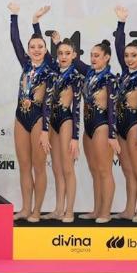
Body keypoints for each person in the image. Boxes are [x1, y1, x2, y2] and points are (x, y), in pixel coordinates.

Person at [7, 3, 54, 221]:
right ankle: (25, 208)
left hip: (39, 119)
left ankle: (37, 210)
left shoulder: (50, 69)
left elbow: (48, 103)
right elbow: (15, 41)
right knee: (24, 166)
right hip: (20, 118)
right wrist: (14, 16)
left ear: (45, 50)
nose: (36, 49)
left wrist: (45, 130)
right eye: (33, 47)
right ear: (28, 50)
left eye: (40, 47)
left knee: (39, 167)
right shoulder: (25, 64)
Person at [39, 31, 87, 223]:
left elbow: (77, 108)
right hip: (52, 123)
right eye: (60, 53)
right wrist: (44, 129)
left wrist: (75, 137)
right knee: (57, 168)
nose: (63, 57)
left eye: (68, 53)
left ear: (74, 55)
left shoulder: (76, 77)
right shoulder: (52, 74)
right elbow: (46, 104)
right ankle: (58, 209)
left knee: (67, 168)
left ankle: (69, 210)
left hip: (67, 120)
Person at [112, 6, 137, 222]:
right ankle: (129, 209)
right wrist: (120, 23)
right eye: (126, 56)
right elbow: (118, 47)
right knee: (127, 170)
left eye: (133, 55)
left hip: (136, 126)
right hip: (121, 127)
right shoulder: (125, 76)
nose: (128, 59)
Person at [81, 40, 121, 223]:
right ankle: (96, 210)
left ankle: (106, 212)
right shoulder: (89, 74)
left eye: (97, 56)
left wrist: (113, 135)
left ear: (107, 57)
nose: (93, 58)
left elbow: (113, 108)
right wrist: (56, 42)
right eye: (91, 55)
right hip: (88, 126)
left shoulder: (110, 79)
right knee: (95, 170)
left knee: (105, 170)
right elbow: (72, 61)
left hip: (102, 125)